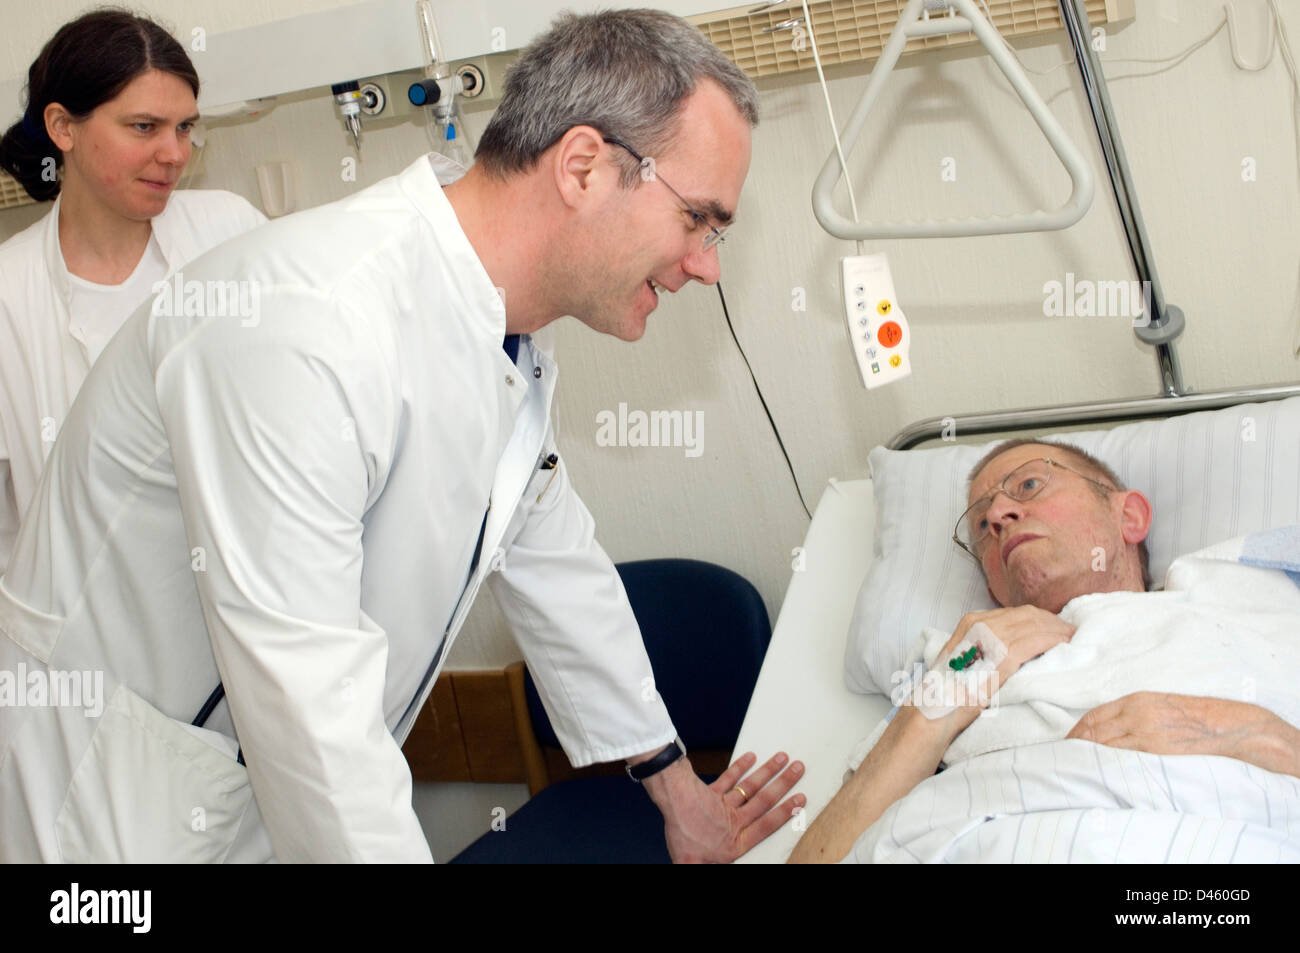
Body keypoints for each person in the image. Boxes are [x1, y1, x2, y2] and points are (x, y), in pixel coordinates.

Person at [0, 9, 803, 863]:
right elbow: (312, 719)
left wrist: (677, 789)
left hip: (249, 787)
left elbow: (557, 567)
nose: (706, 263)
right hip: (109, 802)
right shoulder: (309, 325)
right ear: (582, 167)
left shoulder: (503, 333)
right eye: (698, 219)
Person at [789, 438, 1300, 862]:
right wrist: (942, 700)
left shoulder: (1246, 596)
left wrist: (1249, 734)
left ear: (1130, 517)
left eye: (1029, 485)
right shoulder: (957, 665)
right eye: (981, 529)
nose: (998, 516)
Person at [0, 10, 267, 573]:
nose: (173, 154)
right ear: (63, 128)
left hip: (234, 594)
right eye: (144, 127)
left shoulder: (229, 231)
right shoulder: (9, 293)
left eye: (185, 128)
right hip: (81, 633)